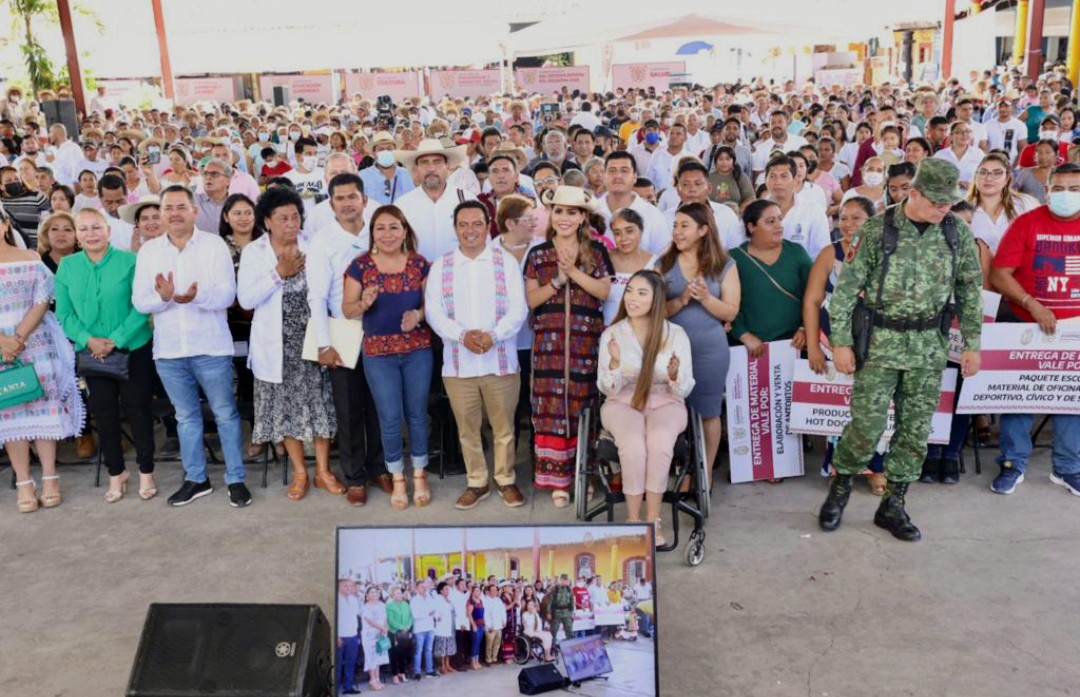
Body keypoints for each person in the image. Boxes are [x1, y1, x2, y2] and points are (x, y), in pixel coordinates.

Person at [820, 159, 983, 541]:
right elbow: (846, 292)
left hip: (928, 348)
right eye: (937, 201)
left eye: (948, 201)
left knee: (914, 432)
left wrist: (972, 344)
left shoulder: (956, 232)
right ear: (914, 193)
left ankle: (893, 505)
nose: (944, 208)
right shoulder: (877, 229)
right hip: (880, 345)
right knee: (866, 428)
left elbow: (969, 292)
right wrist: (841, 343)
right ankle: (840, 489)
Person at [132, 186, 252, 508]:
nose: (174, 213)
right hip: (170, 350)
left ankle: (236, 479)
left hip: (210, 346)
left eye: (181, 207)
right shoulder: (149, 252)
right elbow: (140, 302)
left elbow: (228, 295)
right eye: (168, 208)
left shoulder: (214, 245)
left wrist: (196, 297)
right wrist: (163, 297)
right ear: (161, 213)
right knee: (185, 418)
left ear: (194, 211)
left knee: (225, 414)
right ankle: (196, 479)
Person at [239, 186, 341, 500]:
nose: (291, 223)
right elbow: (246, 299)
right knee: (285, 411)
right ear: (267, 221)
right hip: (276, 345)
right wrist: (278, 273)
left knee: (320, 404)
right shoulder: (254, 252)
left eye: (295, 216)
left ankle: (323, 471)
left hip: (314, 340)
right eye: (283, 218)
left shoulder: (315, 244)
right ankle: (300, 472)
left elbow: (331, 288)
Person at [425, 201, 528, 510]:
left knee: (504, 428)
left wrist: (493, 335)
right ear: (455, 228)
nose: (470, 230)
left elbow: (518, 309)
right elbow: (433, 312)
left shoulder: (505, 262)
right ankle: (477, 481)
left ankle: (505, 479)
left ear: (487, 227)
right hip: (459, 365)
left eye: (477, 224)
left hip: (500, 361)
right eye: (463, 224)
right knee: (468, 429)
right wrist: (462, 336)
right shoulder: (441, 266)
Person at [989, 162, 1080, 497]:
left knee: (1071, 400)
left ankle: (1067, 468)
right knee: (1020, 398)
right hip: (1026, 326)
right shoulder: (1027, 223)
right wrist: (1032, 304)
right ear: (1047, 191)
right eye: (1060, 188)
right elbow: (1000, 274)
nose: (1067, 195)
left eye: (1075, 189)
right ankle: (1013, 464)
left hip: (1074, 332)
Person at [56, 208, 156, 503]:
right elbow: (64, 313)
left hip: (132, 347)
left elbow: (141, 306)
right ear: (77, 235)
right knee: (104, 412)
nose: (91, 234)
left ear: (109, 231)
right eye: (84, 229)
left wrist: (116, 340)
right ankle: (116, 472)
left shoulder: (130, 261)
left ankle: (147, 471)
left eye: (97, 227)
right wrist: (89, 340)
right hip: (91, 353)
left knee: (138, 410)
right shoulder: (68, 266)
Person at [524, 186, 612, 507]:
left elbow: (603, 291)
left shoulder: (597, 251)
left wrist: (573, 271)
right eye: (558, 211)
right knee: (550, 407)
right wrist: (558, 281)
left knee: (584, 405)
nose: (564, 217)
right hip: (548, 346)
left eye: (571, 212)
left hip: (585, 344)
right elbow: (532, 300)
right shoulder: (538, 254)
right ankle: (558, 480)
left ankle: (583, 475)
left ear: (582, 217)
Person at [342, 205, 433, 509]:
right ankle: (397, 477)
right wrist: (363, 304)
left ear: (405, 231)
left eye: (394, 227)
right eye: (380, 228)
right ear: (372, 233)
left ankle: (419, 474)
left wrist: (418, 315)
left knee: (417, 414)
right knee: (390, 418)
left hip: (417, 351)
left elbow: (433, 305)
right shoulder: (360, 266)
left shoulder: (420, 264)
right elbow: (347, 309)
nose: (387, 234)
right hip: (378, 355)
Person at [307, 173, 389, 506]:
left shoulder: (380, 232)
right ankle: (355, 476)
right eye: (339, 198)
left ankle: (381, 467)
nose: (346, 204)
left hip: (381, 326)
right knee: (349, 408)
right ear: (331, 204)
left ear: (364, 200)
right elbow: (316, 296)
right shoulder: (322, 241)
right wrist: (324, 344)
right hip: (342, 330)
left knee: (382, 404)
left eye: (352, 197)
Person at [599, 270, 695, 545]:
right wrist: (615, 364)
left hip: (666, 400)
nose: (632, 298)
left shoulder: (675, 335)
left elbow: (685, 388)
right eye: (629, 291)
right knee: (633, 443)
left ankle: (653, 520)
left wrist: (674, 375)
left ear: (656, 299)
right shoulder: (612, 334)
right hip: (623, 401)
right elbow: (606, 388)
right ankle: (633, 519)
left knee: (659, 440)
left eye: (642, 293)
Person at [0, 207, 84, 512]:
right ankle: (24, 482)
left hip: (35, 342)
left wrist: (18, 337)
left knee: (43, 408)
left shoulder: (31, 258)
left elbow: (42, 300)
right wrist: (3, 342)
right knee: (11, 413)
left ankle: (50, 477)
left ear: (5, 225)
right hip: (2, 348)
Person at [802, 196, 887, 492]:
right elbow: (812, 301)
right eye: (843, 218)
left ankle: (876, 468)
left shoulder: (886, 251)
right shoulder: (830, 253)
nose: (848, 224)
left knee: (874, 407)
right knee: (838, 408)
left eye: (856, 218)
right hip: (833, 342)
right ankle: (840, 467)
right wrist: (813, 346)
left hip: (876, 343)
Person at [658, 201, 739, 490]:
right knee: (672, 412)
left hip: (709, 350)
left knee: (708, 412)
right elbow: (654, 310)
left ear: (703, 230)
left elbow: (731, 312)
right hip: (670, 351)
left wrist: (705, 298)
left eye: (685, 226)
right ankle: (683, 470)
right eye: (675, 225)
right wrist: (681, 300)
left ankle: (704, 474)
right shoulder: (663, 264)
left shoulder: (724, 265)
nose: (677, 232)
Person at [395, 138, 477, 261]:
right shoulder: (402, 205)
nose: (431, 168)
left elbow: (481, 243)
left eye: (437, 162)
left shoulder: (466, 200)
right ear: (416, 169)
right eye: (424, 163)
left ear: (447, 166)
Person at [594, 151, 669, 255]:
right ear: (604, 177)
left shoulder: (652, 215)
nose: (618, 176)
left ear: (634, 177)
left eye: (624, 170)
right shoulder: (592, 210)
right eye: (612, 170)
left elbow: (663, 258)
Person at [967, 152, 1038, 253]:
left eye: (997, 173)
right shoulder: (962, 210)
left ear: (1007, 179)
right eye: (983, 172)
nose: (988, 178)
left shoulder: (1024, 204)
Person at [764, 156, 831, 259]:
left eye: (784, 176)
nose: (778, 182)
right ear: (765, 181)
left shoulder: (813, 211)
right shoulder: (755, 211)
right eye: (772, 176)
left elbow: (823, 255)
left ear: (795, 180)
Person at [603, 208, 658, 326]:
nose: (623, 238)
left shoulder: (654, 263)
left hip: (640, 330)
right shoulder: (603, 259)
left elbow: (658, 305)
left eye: (629, 231)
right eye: (617, 233)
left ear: (641, 231)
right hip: (605, 329)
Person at [360, 131, 414, 206]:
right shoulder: (363, 176)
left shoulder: (407, 174)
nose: (385, 152)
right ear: (373, 153)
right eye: (381, 149)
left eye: (389, 149)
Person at [934, 121, 985, 191]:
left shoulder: (978, 154)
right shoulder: (940, 155)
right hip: (947, 196)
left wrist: (973, 185)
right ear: (951, 136)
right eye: (959, 132)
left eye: (967, 131)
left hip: (972, 195)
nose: (964, 135)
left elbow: (986, 176)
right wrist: (953, 184)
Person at [707, 145, 755, 213]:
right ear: (715, 162)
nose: (724, 162)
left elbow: (750, 198)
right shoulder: (708, 177)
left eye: (728, 159)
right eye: (720, 159)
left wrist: (739, 212)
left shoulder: (740, 176)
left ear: (733, 161)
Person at [360, 586, 390, 691]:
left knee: (378, 657)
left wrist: (384, 627)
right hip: (369, 635)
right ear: (367, 595)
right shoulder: (365, 607)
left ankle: (377, 679)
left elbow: (385, 618)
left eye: (376, 592)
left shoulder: (382, 605)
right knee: (370, 657)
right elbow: (370, 621)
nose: (374, 594)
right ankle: (372, 679)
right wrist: (381, 627)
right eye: (372, 592)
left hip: (380, 634)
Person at [336, 579, 362, 696]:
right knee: (337, 664)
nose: (348, 588)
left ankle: (348, 687)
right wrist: (336, 636)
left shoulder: (353, 599)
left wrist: (359, 598)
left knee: (351, 663)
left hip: (352, 635)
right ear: (338, 587)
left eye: (350, 586)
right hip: (340, 637)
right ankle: (335, 689)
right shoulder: (336, 600)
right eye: (345, 586)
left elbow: (359, 614)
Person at [193, 158, 233, 232]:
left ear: (228, 181)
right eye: (205, 173)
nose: (208, 177)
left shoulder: (237, 204)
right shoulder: (192, 201)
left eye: (214, 174)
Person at [1014, 139, 1057, 204]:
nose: (1043, 157)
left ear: (1056, 154)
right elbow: (1012, 191)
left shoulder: (1062, 174)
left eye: (1048, 152)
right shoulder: (1026, 173)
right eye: (1040, 152)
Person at [387, 585, 414, 684]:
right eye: (397, 594)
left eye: (400, 593)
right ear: (392, 595)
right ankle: (394, 675)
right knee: (394, 655)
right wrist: (401, 627)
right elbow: (390, 620)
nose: (400, 595)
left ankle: (402, 673)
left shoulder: (405, 604)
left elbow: (410, 617)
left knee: (403, 654)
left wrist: (408, 626)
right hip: (394, 633)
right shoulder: (389, 605)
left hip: (405, 633)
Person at [432, 581, 457, 676]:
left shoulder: (449, 600)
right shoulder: (437, 599)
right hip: (441, 627)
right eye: (446, 589)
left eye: (448, 589)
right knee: (442, 648)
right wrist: (438, 617)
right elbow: (434, 611)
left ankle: (447, 664)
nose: (447, 591)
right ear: (441, 591)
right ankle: (442, 666)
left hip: (450, 626)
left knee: (448, 647)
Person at [483, 583, 507, 666]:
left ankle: (494, 658)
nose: (494, 592)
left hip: (499, 626)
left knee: (497, 643)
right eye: (492, 590)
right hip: (490, 627)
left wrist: (504, 621)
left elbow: (502, 611)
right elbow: (485, 614)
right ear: (488, 591)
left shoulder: (498, 600)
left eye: (495, 590)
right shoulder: (485, 600)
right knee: (489, 644)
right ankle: (488, 659)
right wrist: (489, 625)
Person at [466, 585, 486, 670]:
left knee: (478, 643)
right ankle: (472, 661)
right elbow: (469, 614)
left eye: (479, 591)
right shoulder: (471, 602)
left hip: (481, 624)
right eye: (476, 591)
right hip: (475, 625)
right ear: (472, 592)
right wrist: (473, 625)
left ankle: (477, 660)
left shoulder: (480, 601)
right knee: (475, 643)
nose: (478, 592)